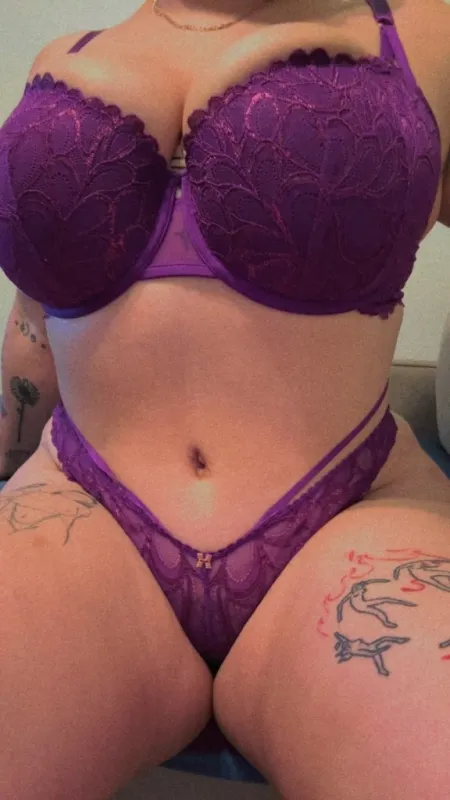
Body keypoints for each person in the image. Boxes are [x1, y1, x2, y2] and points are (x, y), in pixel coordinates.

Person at [0, 0, 449, 796]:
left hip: (351, 516)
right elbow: (34, 325)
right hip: (78, 514)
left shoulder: (427, 29)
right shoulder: (61, 58)